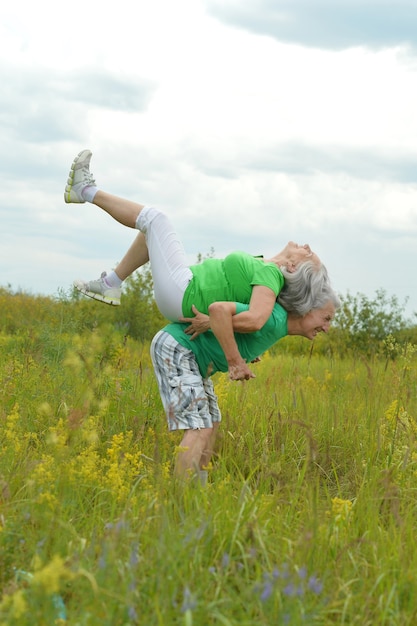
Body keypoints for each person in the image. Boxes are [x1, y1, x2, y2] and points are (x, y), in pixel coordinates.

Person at [64, 149, 332, 380]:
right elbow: (252, 316)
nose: (306, 247)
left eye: (310, 255)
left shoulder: (272, 275)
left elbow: (256, 320)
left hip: (183, 293)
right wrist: (216, 323)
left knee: (156, 220)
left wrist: (226, 342)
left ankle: (85, 190)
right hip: (183, 289)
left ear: (295, 269)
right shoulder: (266, 271)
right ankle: (111, 283)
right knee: (151, 235)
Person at [150, 290, 340, 483]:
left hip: (195, 360)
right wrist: (220, 334)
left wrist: (245, 349)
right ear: (307, 309)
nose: (327, 328)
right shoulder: (272, 317)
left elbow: (239, 326)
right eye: (326, 318)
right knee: (199, 428)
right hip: (178, 347)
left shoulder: (278, 324)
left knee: (212, 423)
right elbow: (219, 309)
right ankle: (179, 501)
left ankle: (198, 494)